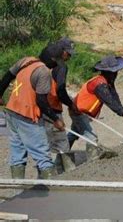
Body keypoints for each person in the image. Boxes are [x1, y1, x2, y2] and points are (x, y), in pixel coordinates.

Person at [0, 52, 66, 179]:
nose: (55, 67)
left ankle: (18, 193)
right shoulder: (44, 72)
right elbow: (41, 101)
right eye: (56, 63)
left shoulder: (27, 60)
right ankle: (54, 193)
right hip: (27, 115)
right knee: (43, 155)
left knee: (17, 153)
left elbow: (7, 77)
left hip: (12, 111)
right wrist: (55, 119)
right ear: (52, 59)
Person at [67, 55, 123, 160]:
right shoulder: (99, 84)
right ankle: (93, 159)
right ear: (108, 72)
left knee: (74, 134)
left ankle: (62, 155)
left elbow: (114, 96)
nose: (116, 74)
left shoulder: (107, 82)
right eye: (114, 72)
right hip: (79, 111)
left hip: (80, 111)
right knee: (91, 137)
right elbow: (109, 101)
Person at [39, 37, 78, 173]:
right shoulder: (61, 66)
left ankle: (49, 173)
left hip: (40, 105)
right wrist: (70, 104)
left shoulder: (43, 61)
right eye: (68, 53)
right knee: (61, 141)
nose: (69, 56)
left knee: (46, 142)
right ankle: (68, 173)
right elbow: (60, 90)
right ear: (62, 52)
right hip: (52, 108)